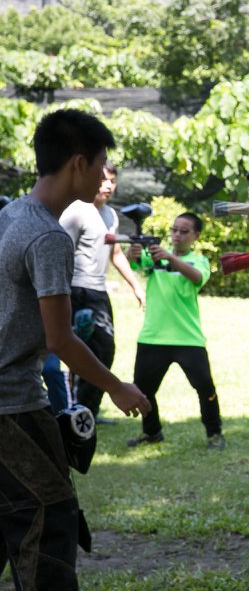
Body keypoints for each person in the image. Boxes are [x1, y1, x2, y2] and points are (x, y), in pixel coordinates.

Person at [0, 108, 150, 591]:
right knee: (52, 513)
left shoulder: (12, 212)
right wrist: (115, 386)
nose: (105, 178)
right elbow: (60, 337)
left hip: (10, 394)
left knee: (9, 513)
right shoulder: (49, 235)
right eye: (102, 165)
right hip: (12, 401)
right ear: (79, 163)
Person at [126, 213, 225, 449]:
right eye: (174, 230)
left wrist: (169, 257)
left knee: (205, 388)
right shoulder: (155, 256)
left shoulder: (198, 260)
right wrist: (134, 254)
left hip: (187, 338)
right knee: (143, 390)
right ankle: (151, 432)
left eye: (184, 231)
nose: (177, 235)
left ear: (196, 236)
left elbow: (196, 277)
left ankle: (215, 433)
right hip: (153, 336)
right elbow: (135, 263)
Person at [59, 164, 146, 417]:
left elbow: (115, 253)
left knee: (104, 351)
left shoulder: (110, 215)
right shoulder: (76, 212)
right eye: (104, 179)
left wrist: (136, 286)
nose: (109, 185)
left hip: (98, 292)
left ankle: (88, 409)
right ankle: (76, 409)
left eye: (113, 181)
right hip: (77, 291)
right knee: (83, 352)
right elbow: (60, 251)